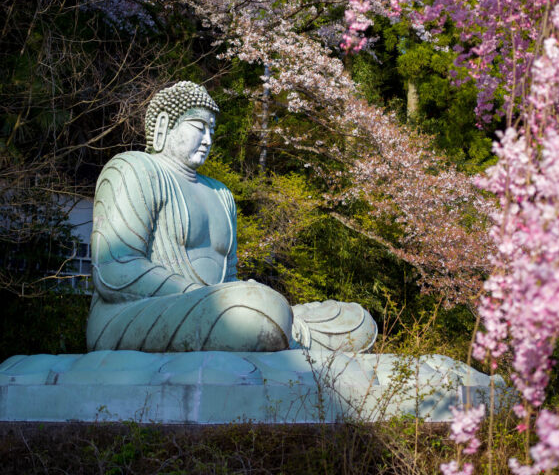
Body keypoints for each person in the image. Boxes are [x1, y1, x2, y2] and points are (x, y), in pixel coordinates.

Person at [87, 81, 377, 354]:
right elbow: (114, 270)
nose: (208, 139)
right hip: (135, 313)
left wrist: (234, 297)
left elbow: (231, 279)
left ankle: (283, 327)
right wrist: (205, 297)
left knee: (357, 321)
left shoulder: (221, 194)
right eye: (199, 127)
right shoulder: (134, 168)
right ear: (164, 124)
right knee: (255, 311)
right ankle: (276, 326)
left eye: (212, 130)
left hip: (222, 312)